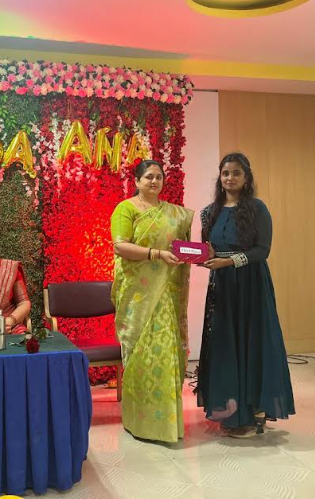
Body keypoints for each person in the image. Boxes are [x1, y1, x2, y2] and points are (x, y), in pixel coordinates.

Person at [197, 153, 295, 439]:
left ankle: (254, 413)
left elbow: (262, 250)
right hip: (222, 286)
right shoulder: (209, 211)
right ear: (220, 177)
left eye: (236, 173)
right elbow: (208, 247)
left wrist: (228, 261)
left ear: (246, 177)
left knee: (253, 344)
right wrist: (205, 255)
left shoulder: (257, 208)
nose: (230, 178)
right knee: (225, 346)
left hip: (251, 284)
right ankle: (231, 413)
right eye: (225, 173)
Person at [111, 159, 194, 443]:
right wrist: (156, 254)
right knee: (141, 357)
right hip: (138, 296)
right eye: (148, 176)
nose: (154, 181)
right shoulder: (126, 209)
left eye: (159, 177)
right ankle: (140, 423)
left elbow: (181, 247)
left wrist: (200, 252)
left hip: (165, 294)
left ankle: (166, 425)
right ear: (137, 181)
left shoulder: (173, 213)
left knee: (164, 354)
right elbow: (120, 247)